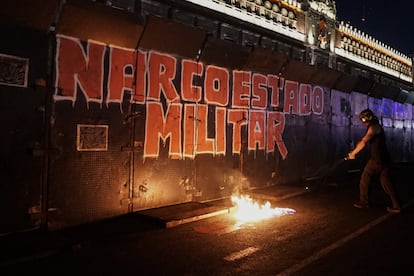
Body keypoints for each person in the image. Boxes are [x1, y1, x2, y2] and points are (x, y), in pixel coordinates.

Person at [346, 109, 401, 213]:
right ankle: (396, 205)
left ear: (365, 119)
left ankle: (364, 202)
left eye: (362, 120)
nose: (362, 123)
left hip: (377, 160)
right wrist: (353, 151)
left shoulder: (373, 127)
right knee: (386, 183)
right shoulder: (374, 127)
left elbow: (364, 141)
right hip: (384, 159)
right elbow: (362, 141)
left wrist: (353, 153)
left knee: (365, 177)